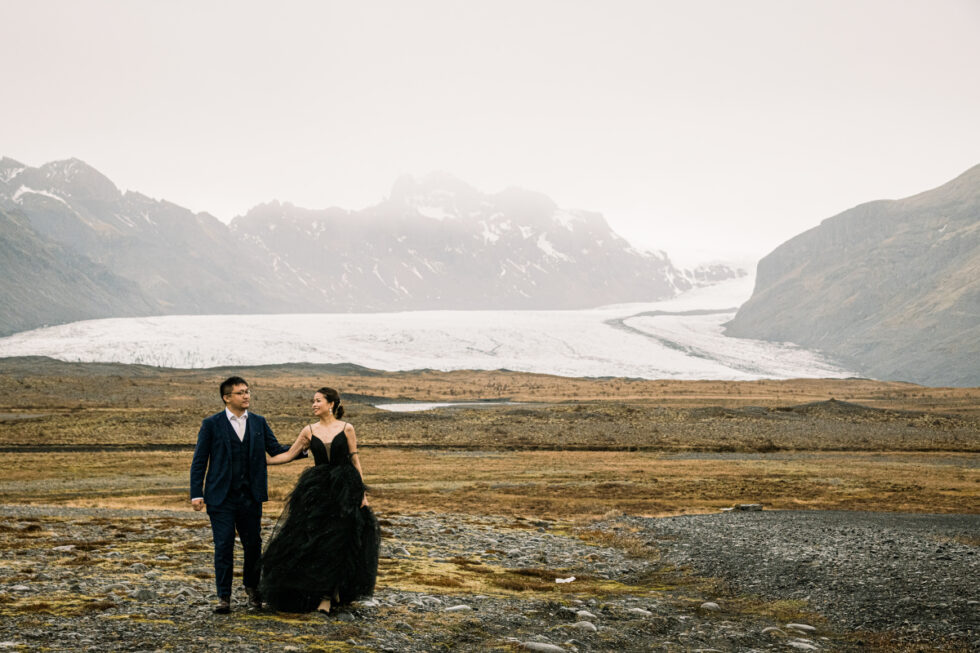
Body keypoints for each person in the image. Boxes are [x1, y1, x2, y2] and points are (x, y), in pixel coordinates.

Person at [189, 376, 307, 614]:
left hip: (250, 497)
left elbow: (275, 450)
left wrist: (302, 448)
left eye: (247, 391)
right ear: (227, 397)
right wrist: (196, 494)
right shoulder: (211, 424)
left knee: (253, 545)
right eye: (240, 392)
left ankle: (253, 590)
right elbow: (199, 460)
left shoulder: (258, 422)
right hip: (220, 497)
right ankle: (224, 597)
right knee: (223, 545)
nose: (246, 396)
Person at [259, 386, 380, 614]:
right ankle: (321, 590)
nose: (314, 405)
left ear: (331, 404)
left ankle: (329, 595)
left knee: (340, 540)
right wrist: (260, 460)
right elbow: (288, 455)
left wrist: (362, 493)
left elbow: (355, 461)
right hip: (317, 491)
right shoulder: (308, 430)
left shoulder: (347, 428)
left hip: (345, 490)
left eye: (318, 401)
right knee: (316, 541)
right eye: (313, 401)